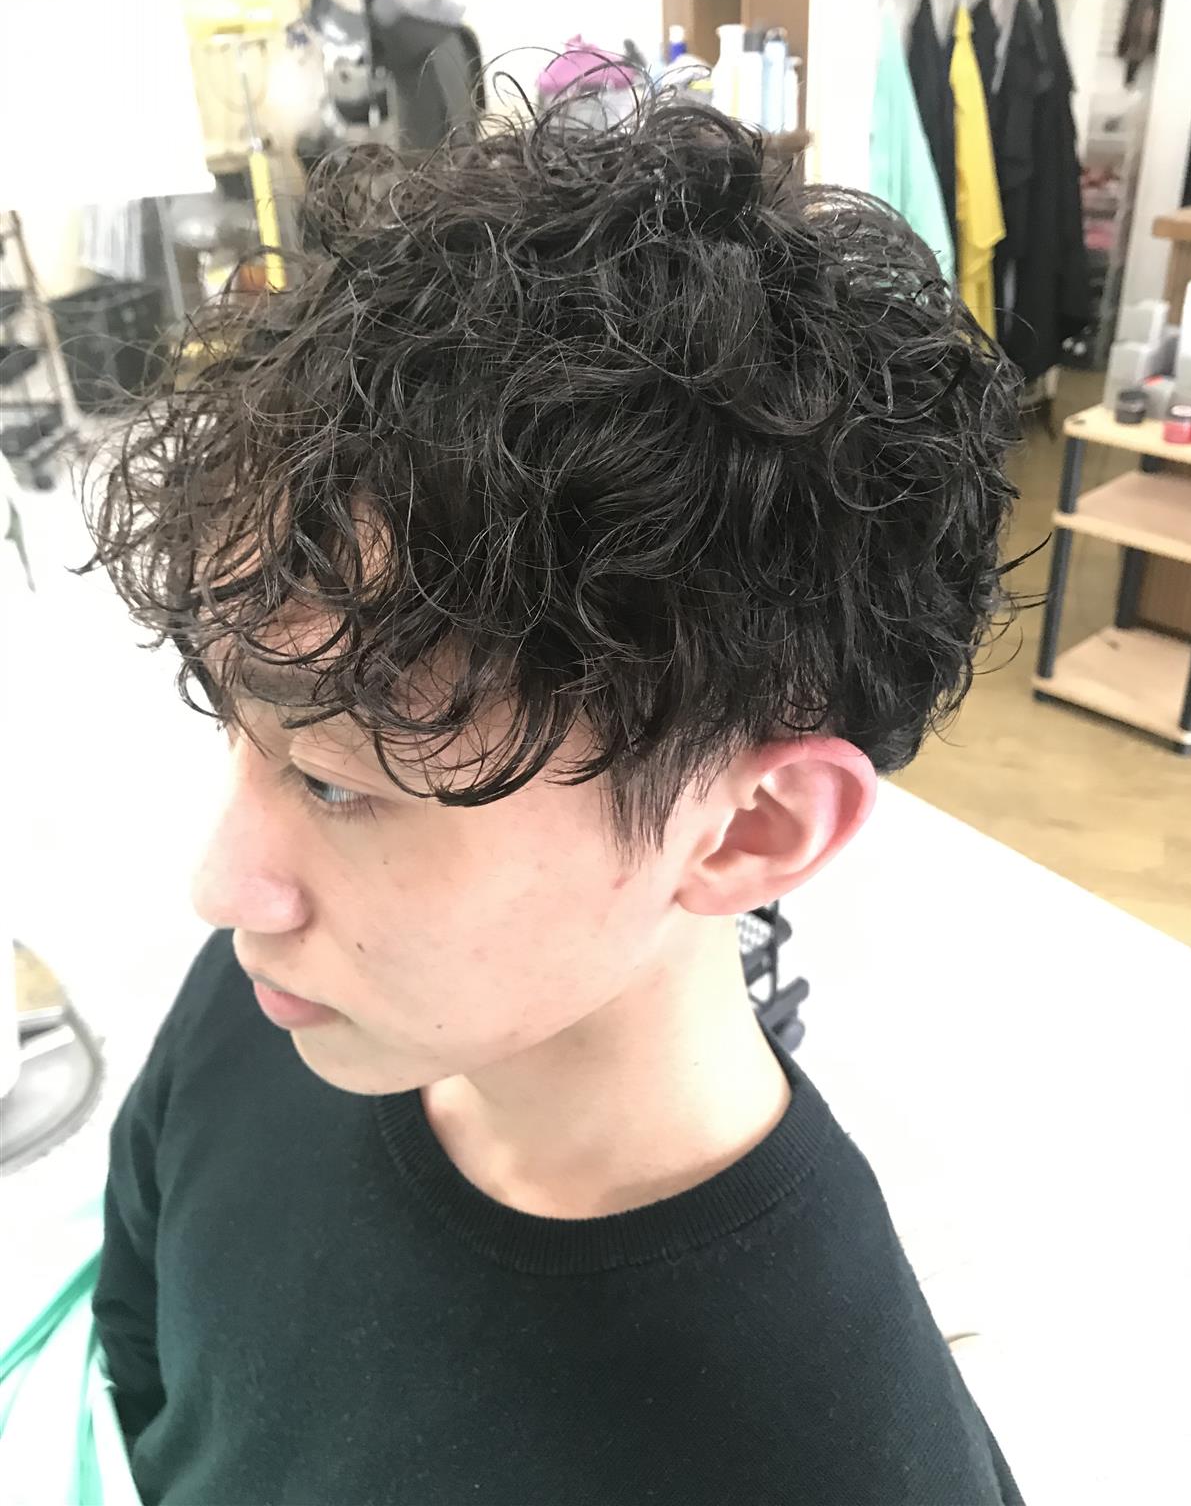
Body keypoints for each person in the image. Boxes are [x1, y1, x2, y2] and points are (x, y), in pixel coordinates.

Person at [82, 94, 1025, 1505]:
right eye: (238, 730)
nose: (223, 889)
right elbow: (145, 1366)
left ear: (752, 827)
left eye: (336, 782)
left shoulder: (836, 1461)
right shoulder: (273, 1002)